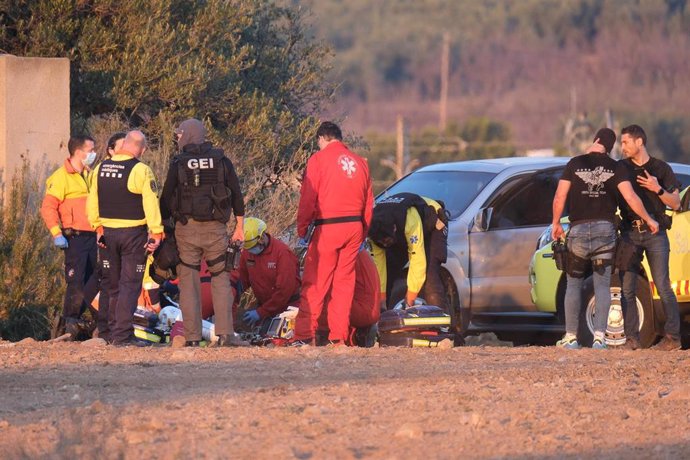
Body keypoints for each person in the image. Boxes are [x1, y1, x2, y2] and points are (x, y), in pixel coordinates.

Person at [551, 128, 659, 350]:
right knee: (602, 284)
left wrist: (555, 224)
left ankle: (571, 337)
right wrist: (649, 219)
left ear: (596, 140)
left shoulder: (574, 163)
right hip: (605, 230)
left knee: (573, 283)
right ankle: (599, 337)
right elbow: (630, 197)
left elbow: (560, 196)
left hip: (578, 229)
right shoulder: (616, 167)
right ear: (609, 148)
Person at [160, 118, 247, 347]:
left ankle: (191, 338)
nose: (178, 138)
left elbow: (166, 198)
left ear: (188, 135)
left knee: (188, 281)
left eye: (179, 134)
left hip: (186, 229)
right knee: (221, 278)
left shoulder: (178, 163)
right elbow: (236, 194)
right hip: (216, 229)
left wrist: (165, 227)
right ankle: (226, 334)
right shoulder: (221, 161)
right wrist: (240, 226)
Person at [293, 121, 373, 346]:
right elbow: (369, 203)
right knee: (344, 284)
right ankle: (338, 336)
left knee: (316, 282)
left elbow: (308, 198)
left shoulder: (318, 160)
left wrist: (302, 229)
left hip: (328, 227)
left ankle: (304, 335)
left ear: (322, 139)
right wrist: (363, 232)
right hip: (354, 228)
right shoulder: (360, 163)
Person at [87, 130, 163, 347]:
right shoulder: (141, 170)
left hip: (107, 234)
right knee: (129, 285)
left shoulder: (100, 168)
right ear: (141, 148)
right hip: (133, 235)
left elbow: (92, 200)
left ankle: (109, 332)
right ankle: (123, 336)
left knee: (111, 284)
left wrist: (97, 226)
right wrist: (156, 232)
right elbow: (151, 203)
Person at [617, 124, 683, 351]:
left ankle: (673, 338)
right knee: (627, 288)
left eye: (625, 142)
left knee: (663, 285)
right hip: (629, 233)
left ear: (639, 142)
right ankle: (631, 339)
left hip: (656, 234)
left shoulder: (661, 168)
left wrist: (658, 189)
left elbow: (676, 203)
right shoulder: (621, 168)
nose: (622, 146)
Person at [40, 135, 99, 339]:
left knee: (94, 280)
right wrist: (56, 233)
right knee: (76, 281)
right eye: (90, 149)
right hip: (74, 237)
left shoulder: (89, 174)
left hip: (92, 235)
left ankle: (94, 323)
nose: (93, 153)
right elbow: (48, 208)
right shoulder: (61, 177)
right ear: (78, 152)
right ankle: (69, 324)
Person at [368, 193, 448, 311]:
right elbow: (379, 267)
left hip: (432, 221)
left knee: (429, 273)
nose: (385, 245)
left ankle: (441, 322)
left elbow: (417, 260)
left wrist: (409, 301)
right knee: (389, 269)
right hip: (397, 229)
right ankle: (385, 318)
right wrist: (381, 302)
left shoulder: (409, 221)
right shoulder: (372, 231)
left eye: (387, 241)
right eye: (382, 243)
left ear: (394, 229)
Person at [239, 217, 301, 332]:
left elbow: (284, 290)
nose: (251, 250)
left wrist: (261, 312)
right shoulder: (247, 253)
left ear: (261, 238)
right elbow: (241, 280)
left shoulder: (282, 254)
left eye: (252, 247)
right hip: (264, 307)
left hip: (288, 307)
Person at [93, 131, 126, 339]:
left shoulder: (134, 169)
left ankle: (120, 328)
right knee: (109, 282)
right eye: (121, 147)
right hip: (107, 233)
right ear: (111, 151)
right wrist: (98, 229)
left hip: (129, 234)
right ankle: (105, 329)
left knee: (126, 282)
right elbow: (93, 202)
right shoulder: (101, 170)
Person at [317, 248, 381, 346]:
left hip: (362, 310)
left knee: (318, 296)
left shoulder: (346, 253)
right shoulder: (356, 250)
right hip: (368, 309)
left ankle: (325, 338)